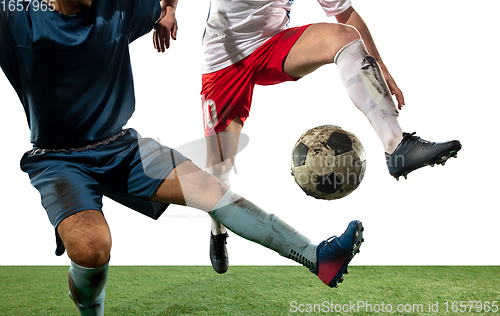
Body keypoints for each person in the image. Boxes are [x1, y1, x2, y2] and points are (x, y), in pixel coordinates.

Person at [1, 0, 365, 314]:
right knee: (93, 249)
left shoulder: (116, 6)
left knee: (214, 193)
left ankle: (319, 258)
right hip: (59, 160)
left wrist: (169, 11)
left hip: (124, 148)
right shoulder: (16, 15)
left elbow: (160, 3)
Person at [154, 0, 461, 274]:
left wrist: (378, 65)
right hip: (224, 60)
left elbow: (345, 13)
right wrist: (169, 10)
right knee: (219, 168)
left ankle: (397, 146)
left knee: (344, 38)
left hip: (273, 45)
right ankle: (218, 229)